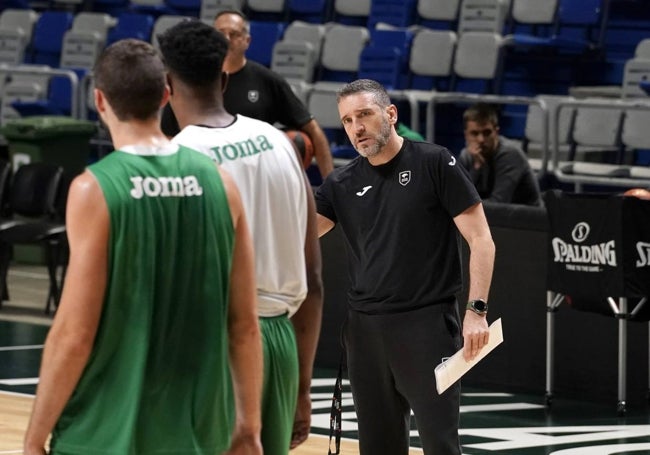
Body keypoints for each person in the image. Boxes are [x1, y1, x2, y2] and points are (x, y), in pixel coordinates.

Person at [23, 39, 263, 455]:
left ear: (99, 100)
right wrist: (249, 428)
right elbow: (244, 325)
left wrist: (32, 439)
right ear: (166, 93)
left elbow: (74, 334)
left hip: (105, 432)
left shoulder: (93, 189)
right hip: (200, 430)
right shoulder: (222, 183)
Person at [158, 21, 324, 455]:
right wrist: (304, 387)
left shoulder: (176, 159)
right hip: (282, 343)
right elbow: (316, 278)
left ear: (167, 85)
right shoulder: (282, 143)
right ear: (225, 77)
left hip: (215, 343)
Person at [315, 79, 496, 455]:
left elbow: (481, 239)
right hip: (364, 330)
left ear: (390, 114)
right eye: (347, 121)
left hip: (426, 325)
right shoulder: (341, 183)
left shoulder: (433, 162)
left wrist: (476, 311)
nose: (357, 128)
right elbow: (297, 233)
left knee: (439, 442)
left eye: (364, 114)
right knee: (378, 444)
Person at [160, 9, 334, 180]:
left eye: (234, 34)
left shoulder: (267, 80)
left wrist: (331, 188)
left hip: (256, 177)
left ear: (247, 40)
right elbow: (168, 135)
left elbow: (313, 129)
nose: (227, 39)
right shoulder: (192, 79)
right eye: (221, 33)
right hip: (204, 178)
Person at [459, 102, 543, 206]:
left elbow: (498, 204)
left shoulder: (510, 154)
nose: (481, 139)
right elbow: (459, 198)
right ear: (466, 135)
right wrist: (476, 168)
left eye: (487, 133)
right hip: (495, 218)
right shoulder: (466, 156)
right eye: (475, 133)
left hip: (526, 218)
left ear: (496, 132)